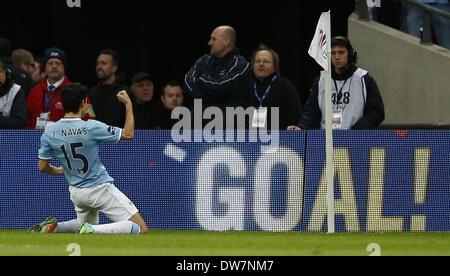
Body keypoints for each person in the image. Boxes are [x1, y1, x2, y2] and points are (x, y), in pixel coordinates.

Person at [29, 83, 148, 234]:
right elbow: (128, 134)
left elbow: (42, 167)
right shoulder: (91, 127)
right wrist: (128, 105)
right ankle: (91, 230)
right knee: (140, 228)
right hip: (99, 188)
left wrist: (63, 171)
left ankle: (55, 227)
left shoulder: (50, 131)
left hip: (77, 193)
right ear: (83, 103)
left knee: (82, 223)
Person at [287, 36, 385, 131]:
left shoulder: (364, 79)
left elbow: (377, 112)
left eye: (341, 52)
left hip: (355, 141)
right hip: (327, 141)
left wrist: (357, 130)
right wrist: (301, 127)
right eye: (333, 53)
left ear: (350, 54)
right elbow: (311, 112)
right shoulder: (321, 80)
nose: (337, 57)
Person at [183, 25, 252, 129]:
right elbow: (187, 85)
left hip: (230, 131)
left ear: (227, 42)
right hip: (199, 128)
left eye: (213, 39)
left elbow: (222, 88)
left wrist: (201, 81)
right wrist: (215, 96)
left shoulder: (240, 64)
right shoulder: (203, 61)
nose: (209, 43)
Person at [26, 47, 95, 129]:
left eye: (58, 63)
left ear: (64, 67)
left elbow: (90, 121)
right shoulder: (34, 92)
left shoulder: (76, 91)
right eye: (50, 63)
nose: (54, 66)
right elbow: (27, 122)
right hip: (37, 140)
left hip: (66, 140)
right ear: (45, 67)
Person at [248, 44, 302, 130]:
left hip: (279, 140)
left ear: (274, 66)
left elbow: (295, 116)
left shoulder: (286, 86)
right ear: (252, 66)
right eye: (257, 61)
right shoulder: (246, 86)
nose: (261, 64)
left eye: (266, 61)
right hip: (250, 139)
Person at [88, 49, 130, 128]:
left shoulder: (125, 93)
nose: (99, 67)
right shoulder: (91, 93)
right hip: (96, 138)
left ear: (114, 68)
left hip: (119, 138)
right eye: (97, 64)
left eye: (103, 63)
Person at [0, 58, 27, 129]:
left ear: (6, 73)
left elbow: (19, 123)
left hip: (7, 138)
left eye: (0, 71)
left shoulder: (16, 91)